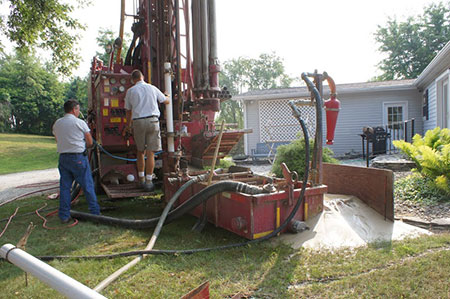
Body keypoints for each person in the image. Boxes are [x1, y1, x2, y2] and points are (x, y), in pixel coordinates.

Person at [52, 99, 100, 223]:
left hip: (63, 158)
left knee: (65, 187)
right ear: (74, 109)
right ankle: (95, 214)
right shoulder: (80, 123)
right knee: (87, 186)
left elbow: (58, 139)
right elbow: (89, 142)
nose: (79, 112)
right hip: (78, 158)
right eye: (78, 109)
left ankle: (64, 216)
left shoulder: (57, 123)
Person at [124, 69, 169, 191]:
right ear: (143, 77)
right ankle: (149, 182)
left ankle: (141, 180)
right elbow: (166, 101)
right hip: (153, 121)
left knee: (140, 152)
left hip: (138, 122)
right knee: (151, 153)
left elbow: (128, 111)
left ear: (133, 80)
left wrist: (128, 126)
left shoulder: (130, 91)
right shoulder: (152, 88)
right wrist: (167, 95)